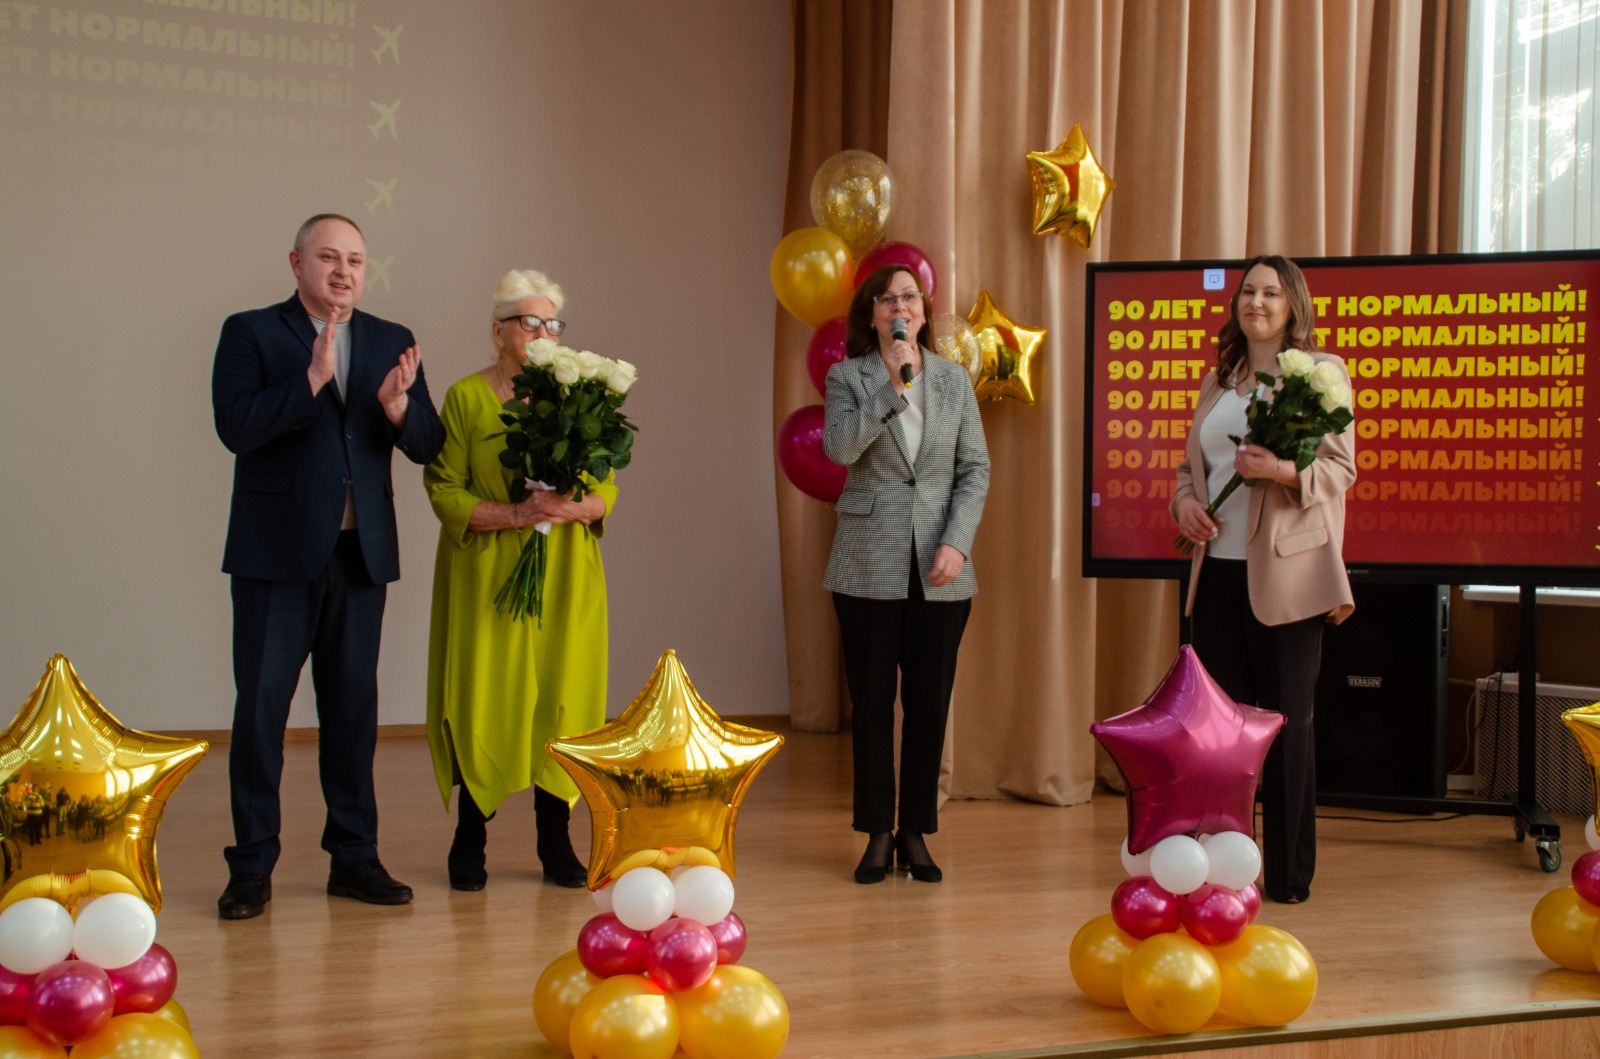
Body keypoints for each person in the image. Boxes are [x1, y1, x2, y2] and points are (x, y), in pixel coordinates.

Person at [211, 213, 444, 920]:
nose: (344, 271)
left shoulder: (391, 338)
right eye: (329, 257)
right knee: (261, 713)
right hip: (275, 555)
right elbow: (235, 427)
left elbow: (429, 444)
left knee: (352, 714)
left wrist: (400, 408)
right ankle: (252, 865)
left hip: (359, 556)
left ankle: (354, 856)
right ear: (297, 263)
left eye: (356, 260)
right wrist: (311, 377)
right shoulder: (251, 331)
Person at [1171, 253, 1356, 905]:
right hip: (1217, 576)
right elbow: (1189, 472)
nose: (1256, 302)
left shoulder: (1321, 373)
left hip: (1289, 577)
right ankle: (1226, 868)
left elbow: (1339, 470)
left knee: (1286, 726)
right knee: (1223, 734)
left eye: (1271, 292)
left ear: (1292, 303)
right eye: (1248, 291)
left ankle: (1288, 874)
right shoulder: (1218, 380)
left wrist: (1277, 470)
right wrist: (1185, 506)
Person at [423, 269, 616, 891]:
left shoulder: (578, 397)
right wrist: (515, 514)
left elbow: (605, 489)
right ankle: (469, 838)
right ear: (498, 331)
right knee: (485, 698)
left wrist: (571, 506)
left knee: (561, 699)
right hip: (489, 573)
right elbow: (444, 488)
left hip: (565, 574)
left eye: (552, 323)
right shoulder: (465, 398)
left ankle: (555, 842)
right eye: (529, 322)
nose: (542, 333)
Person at [822, 264, 990, 885]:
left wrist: (957, 542)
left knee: (928, 703)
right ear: (871, 315)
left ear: (923, 310)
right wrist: (892, 387)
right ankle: (877, 833)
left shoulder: (953, 379)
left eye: (910, 296)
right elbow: (840, 449)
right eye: (888, 298)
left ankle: (915, 831)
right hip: (868, 563)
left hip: (941, 568)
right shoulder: (848, 377)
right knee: (871, 706)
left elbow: (974, 469)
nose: (901, 306)